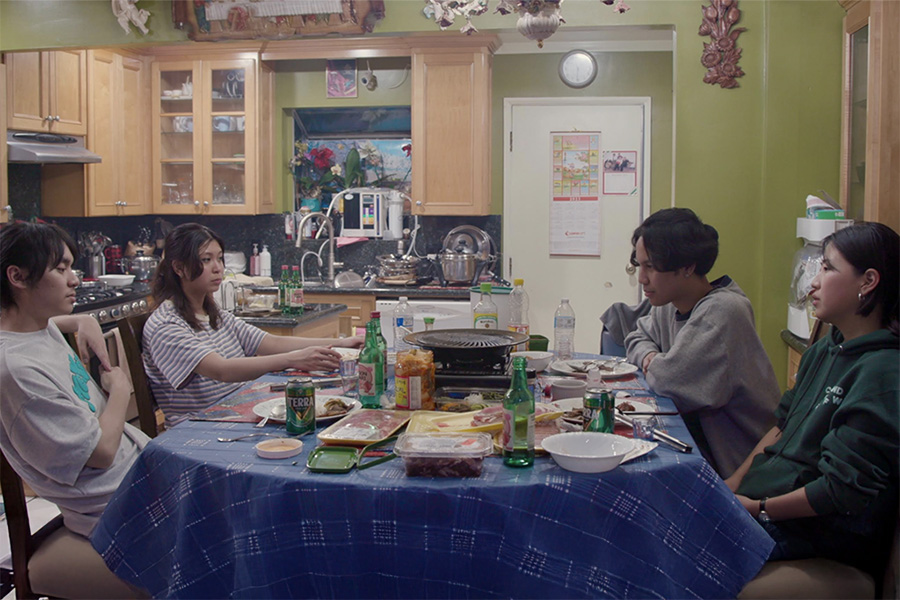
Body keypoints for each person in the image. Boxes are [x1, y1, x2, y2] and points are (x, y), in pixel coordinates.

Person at [727, 222, 899, 577]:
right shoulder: (824, 348)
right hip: (765, 505)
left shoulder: (883, 371)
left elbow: (840, 491)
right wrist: (731, 485)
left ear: (868, 282)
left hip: (820, 532)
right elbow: (781, 427)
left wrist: (758, 508)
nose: (813, 282)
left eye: (828, 268)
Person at [0, 222, 149, 596]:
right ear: (17, 276)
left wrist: (83, 320)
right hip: (115, 509)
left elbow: (60, 322)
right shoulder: (15, 371)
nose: (75, 281)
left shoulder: (35, 326)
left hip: (137, 479)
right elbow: (100, 453)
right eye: (61, 269)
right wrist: (120, 391)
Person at [143, 223, 363, 426]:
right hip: (202, 424)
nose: (218, 268)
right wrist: (296, 359)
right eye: (205, 260)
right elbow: (221, 370)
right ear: (179, 268)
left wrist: (341, 343)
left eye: (219, 258)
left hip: (238, 408)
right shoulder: (167, 325)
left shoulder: (212, 312)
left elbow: (269, 342)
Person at [624, 208, 780, 477]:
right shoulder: (668, 303)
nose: (642, 278)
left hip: (740, 469)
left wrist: (656, 365)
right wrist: (652, 357)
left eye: (651, 266)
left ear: (687, 267)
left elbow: (669, 381)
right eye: (639, 266)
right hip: (699, 449)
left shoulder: (724, 310)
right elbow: (637, 336)